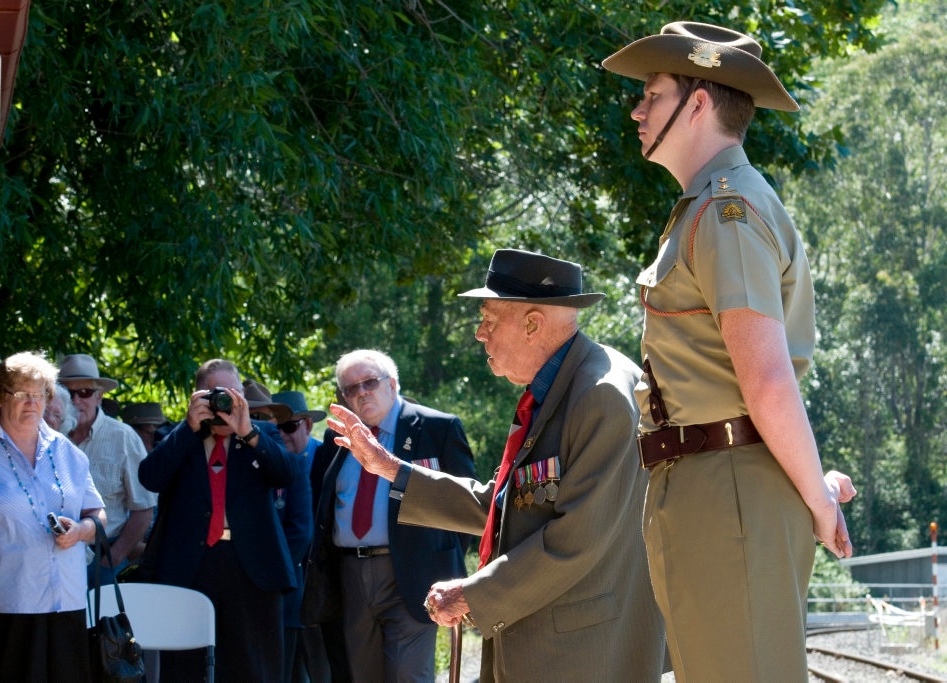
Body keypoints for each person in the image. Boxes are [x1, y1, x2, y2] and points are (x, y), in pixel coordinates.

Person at [600, 22, 855, 680]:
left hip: (729, 488)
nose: (637, 108)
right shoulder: (704, 209)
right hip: (712, 486)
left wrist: (818, 499)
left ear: (699, 103)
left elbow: (767, 380)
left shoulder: (726, 211)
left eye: (652, 94)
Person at [327, 250, 664, 681]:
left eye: (488, 317)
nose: (479, 333)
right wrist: (389, 467)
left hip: (580, 652)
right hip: (552, 638)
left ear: (532, 323)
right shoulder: (565, 381)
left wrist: (473, 593)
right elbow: (508, 506)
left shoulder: (599, 393)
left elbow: (575, 539)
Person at [304, 349, 476, 682]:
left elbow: (466, 511)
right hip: (350, 575)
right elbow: (321, 507)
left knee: (408, 675)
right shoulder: (334, 438)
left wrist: (439, 560)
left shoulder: (436, 428)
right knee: (360, 675)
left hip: (414, 574)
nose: (361, 392)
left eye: (369, 382)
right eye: (350, 389)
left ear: (393, 383)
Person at [138, 359, 304, 681]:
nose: (224, 404)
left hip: (252, 569)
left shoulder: (263, 434)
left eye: (233, 394)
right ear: (199, 396)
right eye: (217, 395)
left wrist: (248, 432)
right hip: (190, 567)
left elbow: (288, 473)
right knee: (186, 667)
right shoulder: (177, 436)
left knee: (252, 668)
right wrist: (188, 428)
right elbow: (150, 478)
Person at [0, 351, 106, 682]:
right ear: (0, 396)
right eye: (22, 394)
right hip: (8, 604)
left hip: (69, 602)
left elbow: (99, 514)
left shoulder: (67, 452)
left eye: (39, 394)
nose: (32, 403)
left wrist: (81, 530)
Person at [59, 353, 156, 584]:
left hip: (102, 557)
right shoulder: (48, 436)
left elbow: (144, 508)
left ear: (99, 396)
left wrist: (114, 556)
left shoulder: (123, 438)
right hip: (53, 552)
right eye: (68, 393)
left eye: (84, 392)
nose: (76, 400)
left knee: (103, 621)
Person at [272, 390, 326, 683]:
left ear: (307, 424)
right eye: (275, 427)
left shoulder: (327, 457)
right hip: (287, 583)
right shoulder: (269, 463)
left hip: (323, 583)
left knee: (322, 668)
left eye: (289, 426)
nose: (281, 434)